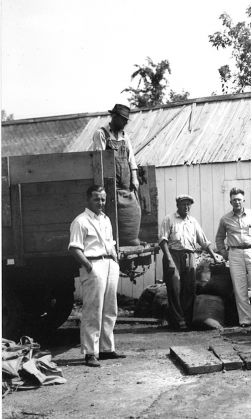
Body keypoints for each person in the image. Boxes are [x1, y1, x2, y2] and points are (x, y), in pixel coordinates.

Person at [68, 185, 126, 367]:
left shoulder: (106, 219)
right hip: (94, 264)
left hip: (110, 264)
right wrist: (89, 267)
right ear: (88, 200)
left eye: (103, 199)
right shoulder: (81, 221)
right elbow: (74, 248)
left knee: (110, 309)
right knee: (93, 310)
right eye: (96, 199)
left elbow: (110, 243)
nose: (100, 202)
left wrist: (115, 262)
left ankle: (107, 349)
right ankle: (90, 352)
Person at [159, 194, 217, 330]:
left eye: (188, 204)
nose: (186, 207)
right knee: (174, 286)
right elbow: (163, 241)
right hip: (173, 254)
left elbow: (203, 241)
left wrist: (214, 257)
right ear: (177, 205)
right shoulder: (169, 219)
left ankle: (185, 318)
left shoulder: (193, 222)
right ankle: (178, 320)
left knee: (189, 288)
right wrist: (169, 260)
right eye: (183, 204)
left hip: (189, 256)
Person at [215, 188, 251, 327]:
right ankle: (245, 321)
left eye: (239, 199)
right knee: (240, 289)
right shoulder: (225, 219)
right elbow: (219, 238)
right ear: (230, 202)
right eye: (234, 200)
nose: (237, 202)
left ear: (243, 200)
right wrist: (224, 253)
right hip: (235, 254)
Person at [92, 104, 141, 246]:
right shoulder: (101, 134)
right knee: (110, 211)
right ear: (114, 117)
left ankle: (129, 237)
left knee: (133, 209)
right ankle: (111, 241)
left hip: (125, 183)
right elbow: (98, 161)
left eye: (127, 120)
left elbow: (131, 158)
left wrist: (135, 178)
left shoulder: (125, 136)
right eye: (123, 120)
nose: (126, 123)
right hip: (110, 182)